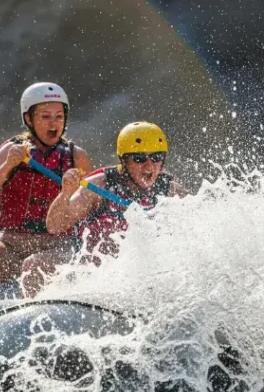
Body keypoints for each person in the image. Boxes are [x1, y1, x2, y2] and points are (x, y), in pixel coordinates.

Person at [0, 82, 93, 300]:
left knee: (34, 267)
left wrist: (70, 191)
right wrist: (8, 165)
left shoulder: (77, 157)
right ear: (28, 119)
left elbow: (89, 208)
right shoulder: (10, 151)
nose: (54, 123)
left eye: (59, 116)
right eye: (45, 116)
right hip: (13, 245)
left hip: (59, 245)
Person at [36, 121, 187, 285]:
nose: (149, 166)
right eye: (139, 158)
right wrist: (65, 194)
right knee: (33, 265)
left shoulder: (172, 192)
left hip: (145, 270)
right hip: (90, 263)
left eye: (156, 157)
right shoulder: (98, 186)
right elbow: (54, 226)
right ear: (124, 161)